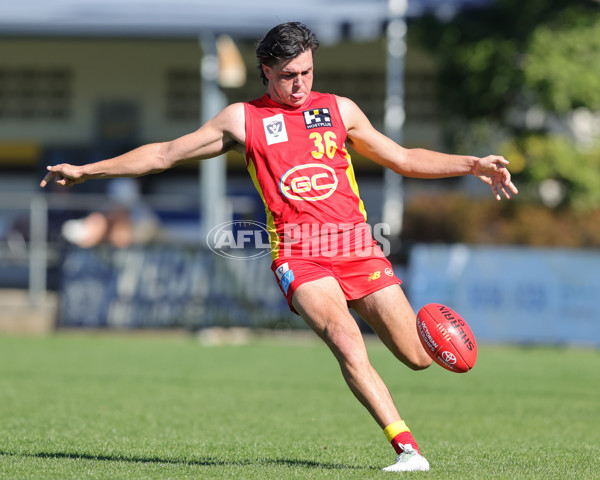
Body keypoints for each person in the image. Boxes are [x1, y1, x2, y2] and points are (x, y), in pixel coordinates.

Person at [41, 22, 518, 472]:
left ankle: (429, 330)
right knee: (346, 341)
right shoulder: (242, 120)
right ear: (266, 71)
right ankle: (407, 450)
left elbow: (403, 157)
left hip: (358, 248)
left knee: (416, 356)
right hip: (299, 255)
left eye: (307, 72)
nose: (300, 84)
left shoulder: (339, 110)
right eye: (288, 75)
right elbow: (165, 154)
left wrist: (472, 163)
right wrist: (87, 170)